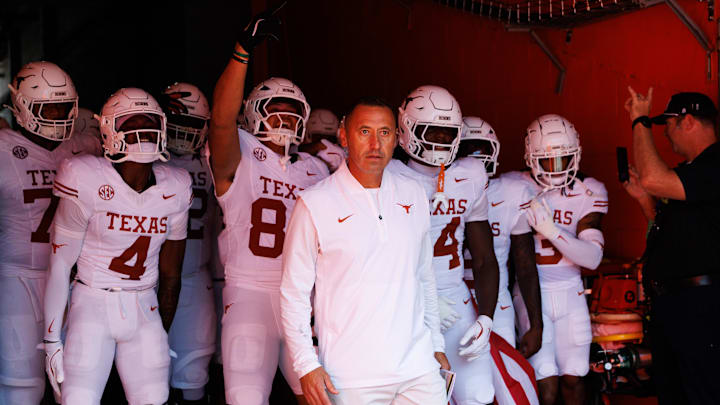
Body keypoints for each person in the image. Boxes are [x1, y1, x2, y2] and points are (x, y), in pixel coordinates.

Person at [280, 96, 449, 405]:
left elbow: (424, 276)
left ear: (397, 139)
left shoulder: (415, 194)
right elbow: (294, 293)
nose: (375, 143)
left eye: (384, 133)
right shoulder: (315, 203)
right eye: (364, 132)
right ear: (344, 136)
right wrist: (306, 365)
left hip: (418, 370)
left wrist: (436, 343)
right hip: (351, 377)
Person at [206, 9, 329, 404]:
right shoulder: (240, 152)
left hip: (303, 298)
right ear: (253, 111)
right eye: (276, 107)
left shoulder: (317, 169)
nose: (285, 116)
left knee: (327, 398)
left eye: (294, 111)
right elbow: (221, 122)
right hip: (250, 295)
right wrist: (242, 52)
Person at [41, 87, 191, 404]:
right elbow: (60, 264)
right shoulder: (85, 176)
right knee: (79, 399)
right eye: (132, 122)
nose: (143, 130)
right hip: (91, 302)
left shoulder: (176, 186)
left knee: (153, 398)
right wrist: (52, 339)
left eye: (149, 121)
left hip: (144, 304)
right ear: (109, 130)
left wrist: (162, 331)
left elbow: (171, 275)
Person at [383, 86, 499, 404]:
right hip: (403, 301)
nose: (440, 142)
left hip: (454, 296)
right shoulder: (384, 175)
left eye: (448, 133)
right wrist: (418, 300)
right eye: (431, 131)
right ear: (405, 129)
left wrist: (486, 318)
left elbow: (485, 258)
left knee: (479, 394)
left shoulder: (470, 174)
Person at [0, 60, 98, 404]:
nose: (58, 116)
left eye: (64, 107)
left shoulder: (87, 145)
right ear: (23, 107)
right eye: (48, 107)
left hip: (74, 281)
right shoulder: (3, 149)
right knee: (21, 387)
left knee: (75, 387)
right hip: (17, 280)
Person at [625, 88, 720, 405]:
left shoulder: (716, 164)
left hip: (702, 305)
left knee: (701, 393)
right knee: (673, 394)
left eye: (668, 125)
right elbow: (667, 226)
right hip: (676, 306)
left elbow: (654, 178)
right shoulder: (690, 173)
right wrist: (643, 199)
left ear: (688, 121)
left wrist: (639, 120)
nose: (665, 134)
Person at [508, 114, 607, 405]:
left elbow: (592, 259)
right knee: (544, 381)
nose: (557, 169)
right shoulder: (515, 186)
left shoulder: (588, 191)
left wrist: (551, 231)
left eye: (564, 159)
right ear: (530, 157)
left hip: (571, 292)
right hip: (531, 294)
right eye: (548, 161)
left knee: (575, 377)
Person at [458, 116, 543, 403]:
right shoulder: (446, 187)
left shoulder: (512, 192)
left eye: (481, 149)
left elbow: (525, 265)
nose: (476, 158)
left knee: (506, 388)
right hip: (454, 302)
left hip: (498, 305)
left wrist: (536, 323)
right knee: (466, 390)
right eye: (468, 149)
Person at [161, 82, 217, 404]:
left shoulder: (213, 162)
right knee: (150, 373)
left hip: (196, 277)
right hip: (150, 279)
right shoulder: (141, 159)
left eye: (192, 123)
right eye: (176, 122)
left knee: (194, 372)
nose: (183, 131)